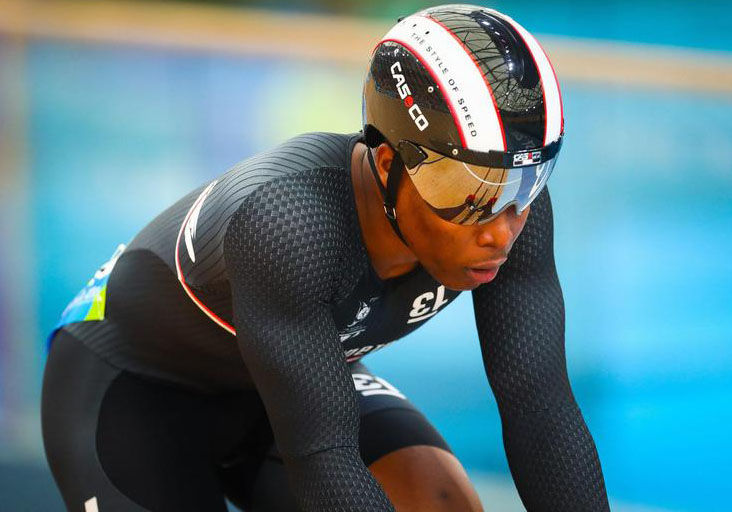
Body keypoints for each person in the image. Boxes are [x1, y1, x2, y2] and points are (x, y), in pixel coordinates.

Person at [42, 4, 610, 511]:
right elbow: (323, 457)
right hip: (136, 388)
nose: (499, 231)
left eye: (525, 184)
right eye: (466, 191)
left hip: (292, 384)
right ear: (387, 165)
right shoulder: (288, 222)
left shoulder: (512, 214)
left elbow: (541, 409)